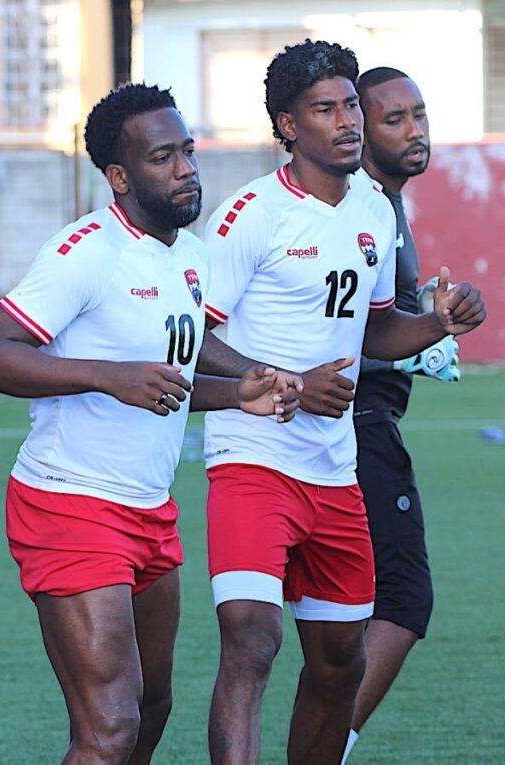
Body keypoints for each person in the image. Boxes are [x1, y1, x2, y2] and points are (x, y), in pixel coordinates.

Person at [0, 83, 303, 765]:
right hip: (70, 503)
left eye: (187, 152)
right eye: (162, 158)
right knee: (110, 724)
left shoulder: (189, 254)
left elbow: (173, 367)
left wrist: (243, 389)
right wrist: (103, 374)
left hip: (148, 507)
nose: (184, 170)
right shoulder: (86, 250)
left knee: (152, 705)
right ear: (119, 177)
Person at [200, 40, 486, 765]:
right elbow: (190, 338)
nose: (346, 120)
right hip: (253, 459)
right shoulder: (249, 215)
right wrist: (282, 380)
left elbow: (381, 327)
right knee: (252, 638)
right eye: (324, 109)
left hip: (333, 469)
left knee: (339, 664)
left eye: (350, 104)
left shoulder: (374, 210)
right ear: (288, 126)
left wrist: (439, 322)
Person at [342, 67, 452, 763]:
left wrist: (425, 331)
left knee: (328, 619)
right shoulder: (361, 206)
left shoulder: (385, 203)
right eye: (394, 119)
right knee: (405, 596)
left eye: (419, 114)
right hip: (353, 423)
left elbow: (371, 321)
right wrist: (420, 335)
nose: (415, 131)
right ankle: (326, 746)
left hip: (362, 417)